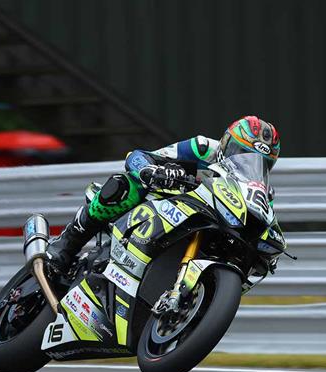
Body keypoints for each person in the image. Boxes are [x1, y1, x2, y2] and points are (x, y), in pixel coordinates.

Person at [46, 115, 282, 274]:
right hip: (165, 201)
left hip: (207, 225)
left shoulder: (260, 191)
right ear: (226, 143)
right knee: (124, 185)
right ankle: (67, 244)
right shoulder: (202, 148)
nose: (247, 165)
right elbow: (138, 156)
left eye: (259, 163)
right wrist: (152, 171)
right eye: (240, 153)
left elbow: (268, 224)